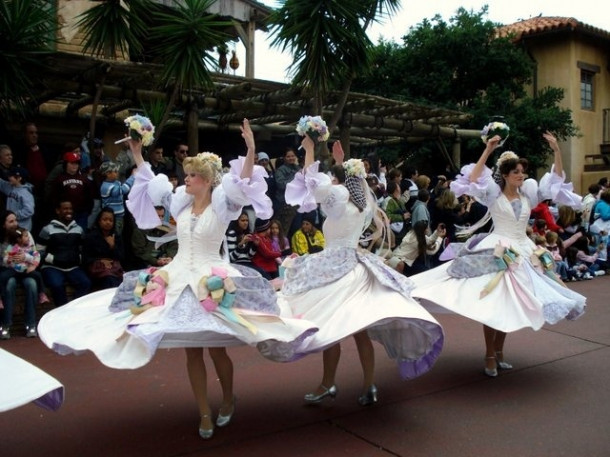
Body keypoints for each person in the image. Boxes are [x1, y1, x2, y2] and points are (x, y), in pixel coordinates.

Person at [37, 119, 317, 440]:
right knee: (191, 350)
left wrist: (251, 149)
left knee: (216, 350)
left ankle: (227, 398)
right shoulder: (180, 204)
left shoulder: (224, 205)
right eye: (186, 174)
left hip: (212, 280)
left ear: (208, 180)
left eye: (192, 175)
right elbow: (148, 179)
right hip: (178, 278)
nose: (186, 178)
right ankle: (203, 412)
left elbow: (242, 180)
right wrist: (137, 152)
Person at [278, 137, 444, 406]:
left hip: (335, 267)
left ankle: (328, 383)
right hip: (355, 266)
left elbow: (314, 184)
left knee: (330, 327)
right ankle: (367, 386)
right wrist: (342, 164)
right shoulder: (362, 205)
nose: (332, 181)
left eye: (336, 178)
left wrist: (310, 151)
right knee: (359, 331)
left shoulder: (340, 200)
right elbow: (341, 188)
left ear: (343, 184)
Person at [410, 132, 586, 377]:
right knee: (494, 303)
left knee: (509, 305)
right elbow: (473, 178)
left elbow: (556, 179)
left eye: (523, 172)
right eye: (516, 172)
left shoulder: (529, 194)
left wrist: (557, 149)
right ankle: (490, 354)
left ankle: (499, 352)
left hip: (523, 250)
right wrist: (488, 150)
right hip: (498, 249)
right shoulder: (493, 193)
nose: (521, 175)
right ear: (505, 175)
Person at [38, 200, 91, 306]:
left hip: (73, 267)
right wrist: (53, 259)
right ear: (58, 211)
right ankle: (62, 312)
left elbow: (82, 249)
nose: (69, 211)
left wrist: (78, 258)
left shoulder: (78, 229)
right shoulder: (47, 229)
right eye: (65, 209)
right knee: (57, 285)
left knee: (85, 283)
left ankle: (74, 309)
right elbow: (39, 251)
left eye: (70, 209)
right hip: (52, 267)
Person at [0, 211, 40, 339]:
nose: (15, 224)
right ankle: (6, 325)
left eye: (16, 220)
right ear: (3, 225)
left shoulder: (25, 234)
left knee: (32, 284)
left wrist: (25, 257)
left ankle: (31, 324)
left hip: (26, 270)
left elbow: (35, 254)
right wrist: (11, 260)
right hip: (9, 271)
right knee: (9, 284)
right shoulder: (3, 241)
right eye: (10, 221)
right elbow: (4, 260)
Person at [3, 226, 49, 304]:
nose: (28, 238)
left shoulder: (29, 247)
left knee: (38, 275)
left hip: (26, 270)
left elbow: (37, 256)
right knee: (3, 277)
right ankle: (1, 297)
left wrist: (33, 265)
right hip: (14, 270)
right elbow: (5, 257)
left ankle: (42, 294)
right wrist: (7, 260)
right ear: (19, 239)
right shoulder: (12, 248)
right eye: (26, 236)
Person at [83, 207, 125, 290]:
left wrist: (112, 246)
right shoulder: (91, 237)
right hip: (97, 270)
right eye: (105, 219)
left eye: (110, 220)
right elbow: (85, 258)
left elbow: (121, 257)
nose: (108, 222)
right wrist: (100, 260)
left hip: (113, 270)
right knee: (109, 279)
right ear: (99, 221)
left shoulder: (116, 236)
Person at [99, 161, 135, 235]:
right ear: (108, 174)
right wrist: (132, 176)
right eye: (115, 171)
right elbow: (123, 190)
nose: (117, 173)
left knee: (119, 234)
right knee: (115, 236)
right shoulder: (106, 187)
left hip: (119, 216)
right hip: (112, 217)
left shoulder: (116, 182)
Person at [0, 167, 35, 231]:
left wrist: (13, 215)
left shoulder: (26, 193)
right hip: (11, 226)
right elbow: (1, 184)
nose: (9, 177)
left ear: (19, 178)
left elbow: (29, 210)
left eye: (11, 176)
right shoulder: (10, 187)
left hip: (22, 228)